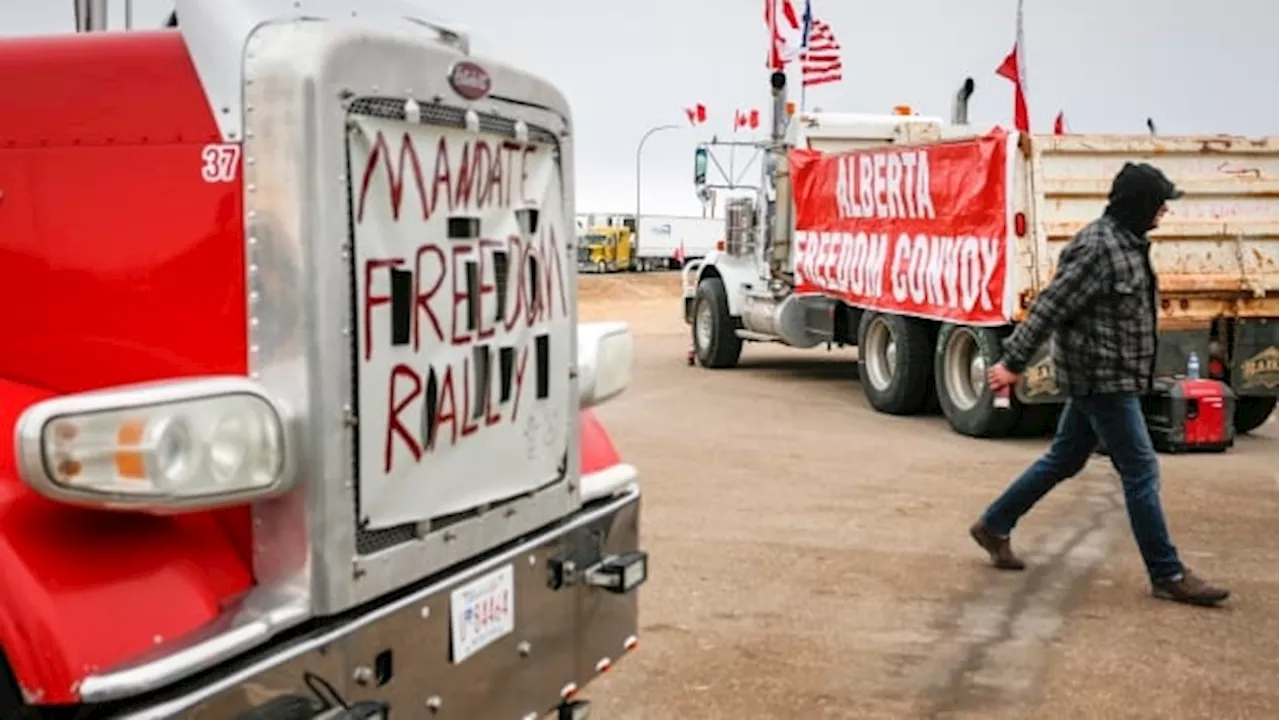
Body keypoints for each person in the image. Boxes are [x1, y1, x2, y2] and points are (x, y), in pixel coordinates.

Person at [969, 161, 1230, 608]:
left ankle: (994, 525)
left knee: (1065, 457)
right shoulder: (1098, 249)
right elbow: (1051, 306)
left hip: (1113, 374)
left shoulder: (1127, 244)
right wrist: (1013, 362)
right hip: (1101, 379)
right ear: (1140, 205)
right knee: (1142, 470)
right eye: (1160, 203)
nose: (1165, 211)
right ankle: (1167, 572)